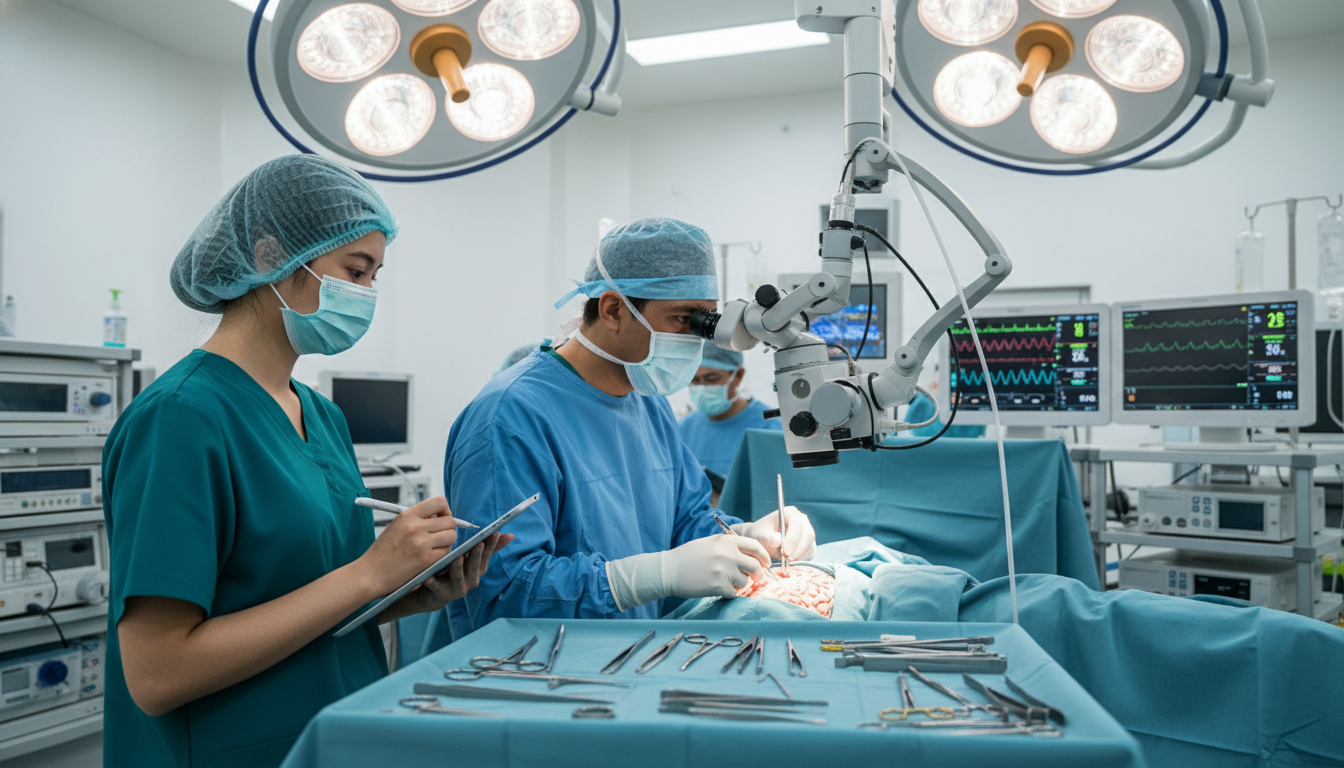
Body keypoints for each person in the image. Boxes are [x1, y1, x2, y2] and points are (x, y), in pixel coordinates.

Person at [103, 155, 511, 768]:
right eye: (355, 270)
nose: (367, 293)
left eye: (375, 275)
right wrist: (369, 575)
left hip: (331, 733)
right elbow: (157, 674)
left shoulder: (321, 415)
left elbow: (306, 597)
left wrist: (406, 592)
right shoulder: (181, 418)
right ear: (271, 258)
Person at [436, 217, 817, 642]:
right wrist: (643, 577)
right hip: (536, 672)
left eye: (706, 320)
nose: (696, 338)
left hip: (633, 657)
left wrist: (747, 536)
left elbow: (686, 520)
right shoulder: (510, 417)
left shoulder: (648, 402)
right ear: (613, 309)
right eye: (683, 319)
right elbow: (502, 593)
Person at [678, 341, 782, 483]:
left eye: (711, 379)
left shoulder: (771, 428)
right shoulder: (684, 428)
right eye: (695, 380)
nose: (702, 387)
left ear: (738, 375)